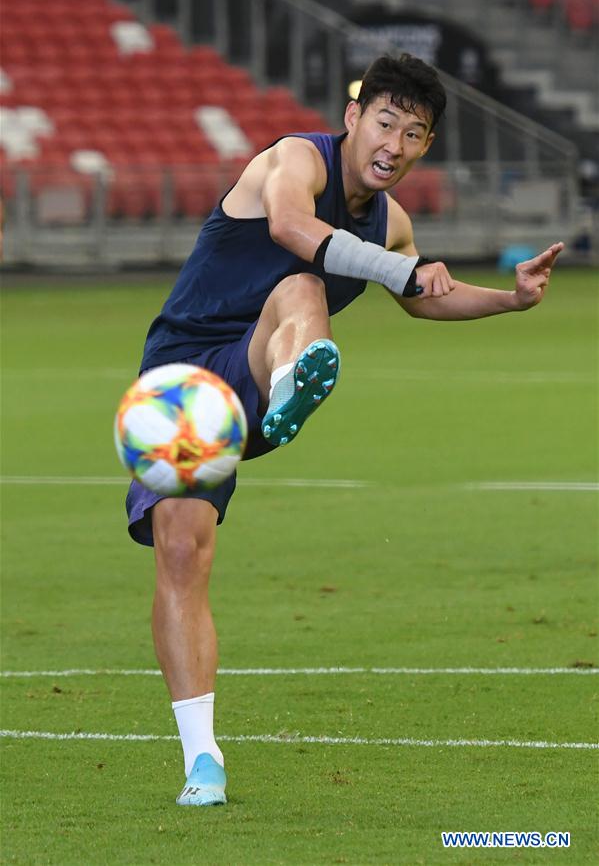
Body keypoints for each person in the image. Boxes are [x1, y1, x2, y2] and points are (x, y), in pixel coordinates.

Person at [125, 53, 563, 806]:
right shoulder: (295, 158)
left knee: (298, 295)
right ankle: (203, 761)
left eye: (415, 133)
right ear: (354, 116)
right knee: (181, 551)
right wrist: (400, 271)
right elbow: (295, 227)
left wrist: (509, 299)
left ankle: (294, 380)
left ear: (426, 147)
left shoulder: (392, 223)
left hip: (260, 373)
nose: (395, 142)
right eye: (386, 121)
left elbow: (426, 297)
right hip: (184, 382)